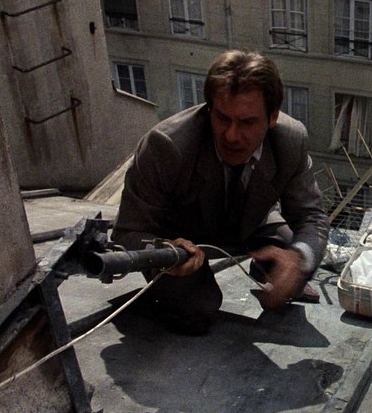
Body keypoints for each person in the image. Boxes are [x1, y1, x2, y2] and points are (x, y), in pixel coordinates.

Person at [111, 49, 330, 334]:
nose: (231, 136)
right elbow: (127, 231)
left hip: (253, 226)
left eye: (247, 122)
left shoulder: (290, 139)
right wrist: (165, 252)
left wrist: (297, 261)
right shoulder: (165, 145)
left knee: (299, 259)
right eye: (223, 118)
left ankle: (267, 266)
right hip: (183, 247)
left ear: (273, 117)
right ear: (209, 109)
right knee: (197, 310)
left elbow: (311, 216)